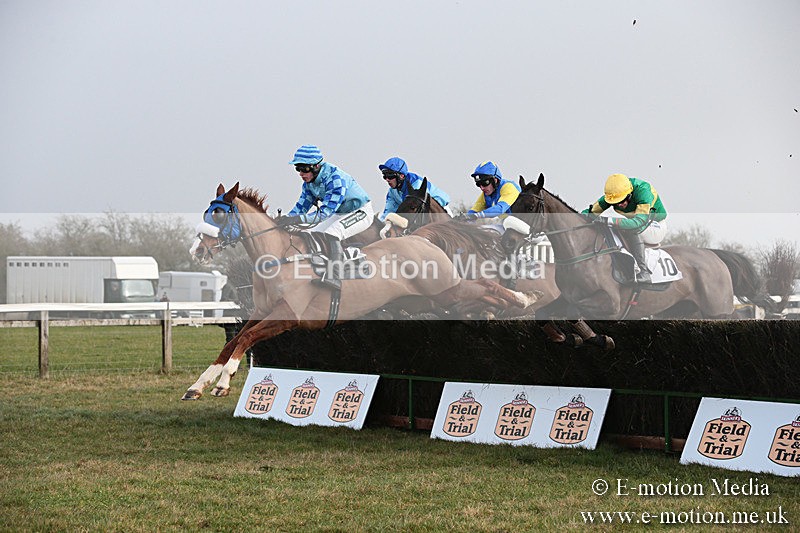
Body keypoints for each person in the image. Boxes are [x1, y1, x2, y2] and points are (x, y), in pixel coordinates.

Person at [276, 144, 373, 289]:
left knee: (332, 233)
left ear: (316, 167)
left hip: (360, 212)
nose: (300, 173)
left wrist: (297, 220)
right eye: (298, 168)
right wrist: (285, 218)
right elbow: (301, 208)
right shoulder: (308, 184)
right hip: (339, 213)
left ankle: (335, 276)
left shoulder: (335, 179)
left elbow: (325, 213)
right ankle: (320, 270)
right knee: (313, 233)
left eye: (304, 169)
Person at [581, 173, 668, 283]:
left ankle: (644, 272)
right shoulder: (613, 195)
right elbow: (588, 213)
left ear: (630, 194)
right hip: (639, 224)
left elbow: (639, 222)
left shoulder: (644, 192)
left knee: (629, 228)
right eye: (615, 203)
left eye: (622, 200)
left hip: (655, 225)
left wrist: (608, 220)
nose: (620, 204)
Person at [378, 157, 451, 220]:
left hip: (440, 212)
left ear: (402, 176)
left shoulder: (416, 184)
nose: (387, 179)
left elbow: (421, 210)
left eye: (390, 176)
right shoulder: (392, 192)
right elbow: (388, 213)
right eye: (385, 176)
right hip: (419, 214)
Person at [457, 161, 521, 221]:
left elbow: (499, 209)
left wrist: (476, 216)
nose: (482, 188)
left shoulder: (508, 187)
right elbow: (473, 211)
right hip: (508, 225)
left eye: (485, 183)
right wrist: (462, 219)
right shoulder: (486, 194)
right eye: (478, 184)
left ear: (495, 180)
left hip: (523, 225)